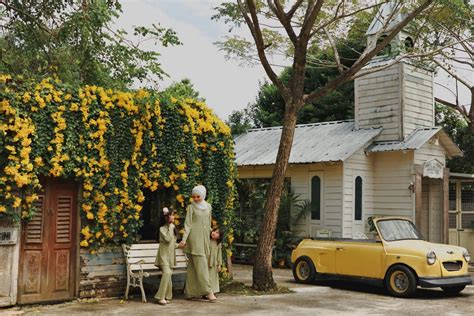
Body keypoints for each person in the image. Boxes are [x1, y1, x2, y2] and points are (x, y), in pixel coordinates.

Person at [179, 185, 217, 302]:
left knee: (193, 268)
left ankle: (190, 292)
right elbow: (188, 224)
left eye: (198, 196)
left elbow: (208, 223)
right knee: (201, 266)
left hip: (205, 240)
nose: (195, 199)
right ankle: (209, 292)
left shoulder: (209, 207)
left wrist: (212, 234)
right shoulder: (191, 207)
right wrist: (184, 239)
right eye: (194, 196)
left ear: (203, 195)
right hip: (194, 240)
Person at [154, 207, 177, 305]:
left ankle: (167, 296)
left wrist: (180, 245)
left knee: (169, 275)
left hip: (170, 256)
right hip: (163, 256)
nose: (173, 216)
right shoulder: (162, 229)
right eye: (171, 215)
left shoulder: (172, 228)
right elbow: (167, 239)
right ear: (166, 217)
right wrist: (171, 227)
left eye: (173, 214)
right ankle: (160, 297)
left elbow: (172, 242)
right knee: (167, 273)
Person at [208, 228, 223, 294]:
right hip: (207, 262)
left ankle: (212, 291)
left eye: (217, 233)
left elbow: (219, 254)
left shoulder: (218, 244)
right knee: (207, 277)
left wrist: (219, 264)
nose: (214, 233)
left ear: (219, 237)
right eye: (213, 231)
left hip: (214, 263)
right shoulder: (208, 241)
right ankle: (205, 292)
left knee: (213, 278)